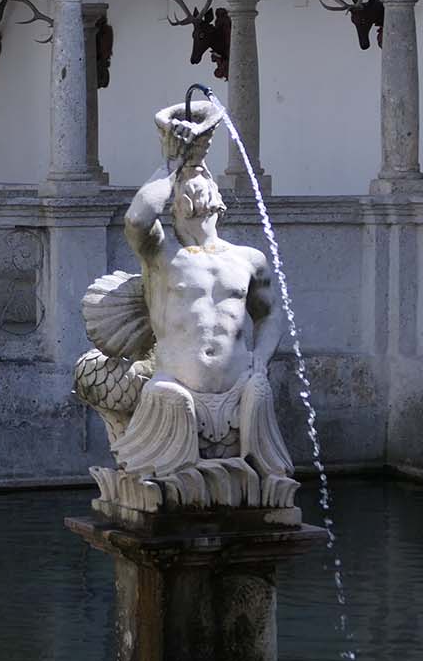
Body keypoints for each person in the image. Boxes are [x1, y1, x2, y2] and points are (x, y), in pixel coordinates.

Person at [75, 99, 295, 506]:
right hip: (176, 389)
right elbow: (137, 220)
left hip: (241, 390)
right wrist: (172, 164)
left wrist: (260, 362)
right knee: (165, 468)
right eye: (183, 182)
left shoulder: (249, 259)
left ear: (220, 200)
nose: (196, 179)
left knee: (266, 480)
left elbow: (270, 315)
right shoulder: (161, 256)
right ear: (172, 204)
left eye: (203, 175)